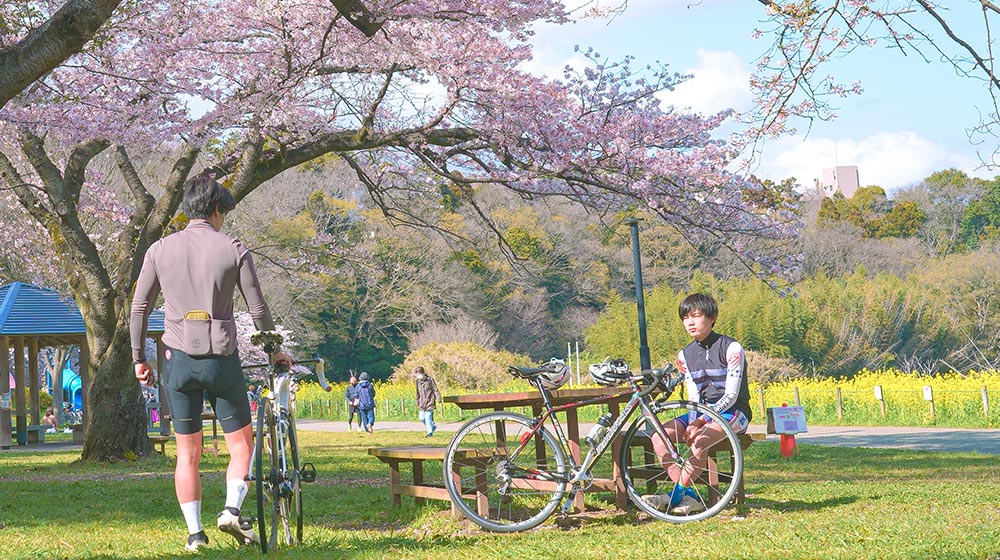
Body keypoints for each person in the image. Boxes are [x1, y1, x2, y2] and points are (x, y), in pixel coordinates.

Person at [131, 174, 292, 552]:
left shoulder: (159, 249)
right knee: (241, 445)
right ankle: (232, 509)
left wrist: (138, 358)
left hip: (176, 360)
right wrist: (274, 350)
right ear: (217, 209)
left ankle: (194, 535)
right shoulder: (233, 248)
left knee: (187, 452)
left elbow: (139, 307)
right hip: (222, 359)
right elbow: (258, 308)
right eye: (223, 212)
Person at [642, 293, 752, 515]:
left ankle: (672, 496)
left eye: (696, 316)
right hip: (701, 412)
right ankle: (689, 494)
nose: (690, 322)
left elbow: (731, 396)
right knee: (659, 437)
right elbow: (694, 396)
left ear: (712, 317)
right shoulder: (685, 354)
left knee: (700, 442)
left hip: (735, 412)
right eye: (685, 318)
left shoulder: (731, 348)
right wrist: (693, 421)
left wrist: (701, 421)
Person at [413, 366, 441, 437]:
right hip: (421, 403)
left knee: (428, 417)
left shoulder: (430, 380)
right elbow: (417, 393)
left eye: (419, 373)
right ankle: (432, 427)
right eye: (417, 374)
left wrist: (438, 398)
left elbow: (435, 389)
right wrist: (417, 401)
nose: (418, 375)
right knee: (421, 418)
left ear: (423, 373)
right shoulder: (417, 382)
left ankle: (429, 433)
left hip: (429, 401)